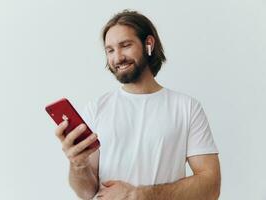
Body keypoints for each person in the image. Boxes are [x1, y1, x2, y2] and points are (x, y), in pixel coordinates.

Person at [55, 10, 221, 200]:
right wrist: (78, 164)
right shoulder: (96, 108)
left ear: (148, 43)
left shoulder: (187, 108)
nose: (117, 58)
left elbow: (211, 186)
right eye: (110, 50)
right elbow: (86, 193)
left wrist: (138, 194)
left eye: (125, 46)